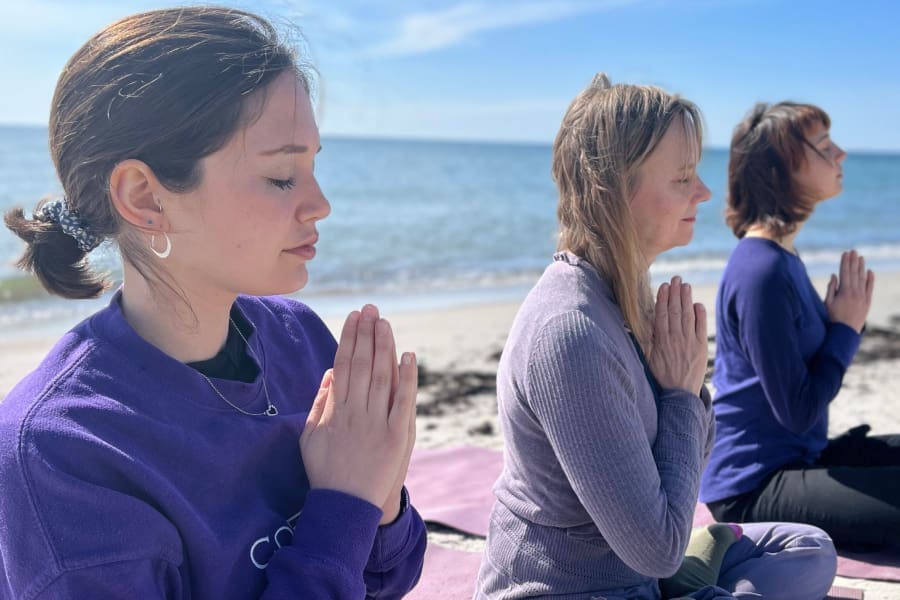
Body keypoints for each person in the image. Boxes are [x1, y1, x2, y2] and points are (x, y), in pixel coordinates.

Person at [0, 7, 426, 598]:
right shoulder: (67, 451)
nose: (320, 204)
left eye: (312, 167)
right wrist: (345, 503)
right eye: (282, 176)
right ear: (145, 197)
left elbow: (388, 575)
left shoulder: (298, 341)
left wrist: (380, 499)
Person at [475, 75, 837, 600]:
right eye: (683, 177)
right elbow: (660, 550)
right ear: (617, 187)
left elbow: (692, 462)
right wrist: (681, 395)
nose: (704, 192)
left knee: (806, 547)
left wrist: (686, 388)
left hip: (645, 576)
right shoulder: (571, 332)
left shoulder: (624, 300)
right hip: (578, 590)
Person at [700, 101, 900, 549]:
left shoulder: (781, 256)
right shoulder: (760, 271)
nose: (842, 154)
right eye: (825, 145)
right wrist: (845, 331)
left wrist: (838, 327)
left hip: (801, 458)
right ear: (784, 167)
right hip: (751, 488)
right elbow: (797, 410)